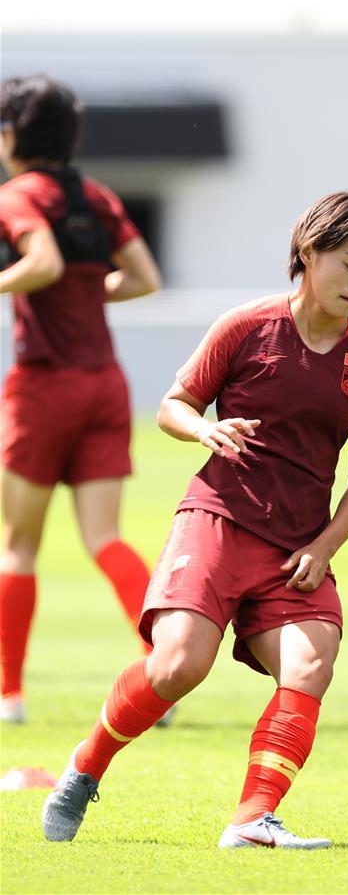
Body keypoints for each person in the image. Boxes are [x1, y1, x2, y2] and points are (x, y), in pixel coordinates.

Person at [42, 191, 348, 848]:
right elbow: (172, 406)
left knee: (310, 665)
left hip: (297, 547)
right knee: (178, 665)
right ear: (309, 252)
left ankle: (252, 819)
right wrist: (203, 429)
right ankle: (85, 767)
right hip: (217, 520)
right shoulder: (246, 325)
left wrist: (324, 547)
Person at [0, 75, 162, 724]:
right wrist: (88, 291)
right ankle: (161, 669)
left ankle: (9, 695)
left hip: (45, 385)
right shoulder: (96, 196)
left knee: (19, 545)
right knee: (104, 537)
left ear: (9, 136)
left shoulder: (17, 196)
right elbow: (144, 278)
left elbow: (41, 263)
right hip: (104, 385)